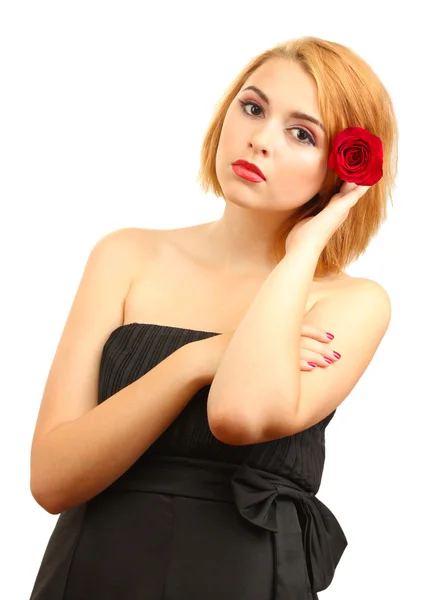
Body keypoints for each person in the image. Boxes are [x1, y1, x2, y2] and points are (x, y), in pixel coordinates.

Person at [28, 35, 398, 599]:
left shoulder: (353, 302)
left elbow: (239, 416)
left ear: (343, 172)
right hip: (94, 569)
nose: (258, 139)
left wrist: (303, 252)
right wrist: (199, 357)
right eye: (252, 107)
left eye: (301, 133)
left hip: (245, 576)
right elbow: (52, 481)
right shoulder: (125, 255)